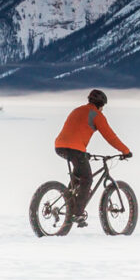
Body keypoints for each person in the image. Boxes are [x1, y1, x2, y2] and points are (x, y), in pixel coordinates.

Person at [55, 89, 131, 227]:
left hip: (60, 146)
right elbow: (111, 137)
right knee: (87, 179)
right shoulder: (96, 115)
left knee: (78, 177)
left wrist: (83, 152)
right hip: (75, 149)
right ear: (101, 104)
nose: (103, 109)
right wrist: (125, 151)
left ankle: (68, 203)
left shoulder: (77, 110)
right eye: (103, 107)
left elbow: (74, 131)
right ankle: (76, 213)